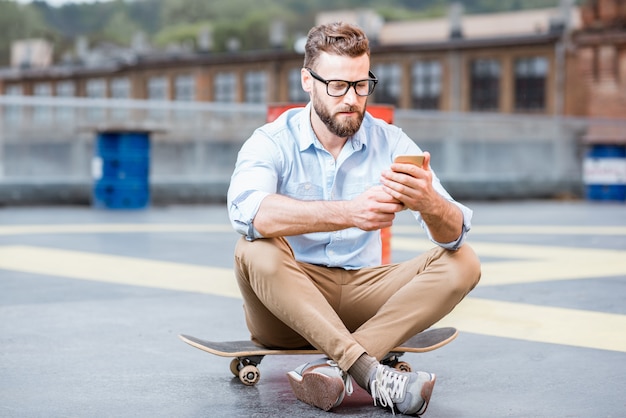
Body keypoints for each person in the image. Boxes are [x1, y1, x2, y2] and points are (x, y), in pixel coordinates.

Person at [227, 21, 481, 416]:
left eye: (362, 85)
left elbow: (454, 234)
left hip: (364, 293)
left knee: (463, 261)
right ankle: (367, 369)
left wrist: (430, 203)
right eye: (338, 86)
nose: (352, 98)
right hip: (288, 302)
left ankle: (333, 370)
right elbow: (248, 212)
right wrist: (349, 212)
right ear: (307, 81)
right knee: (254, 247)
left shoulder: (391, 141)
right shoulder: (271, 141)